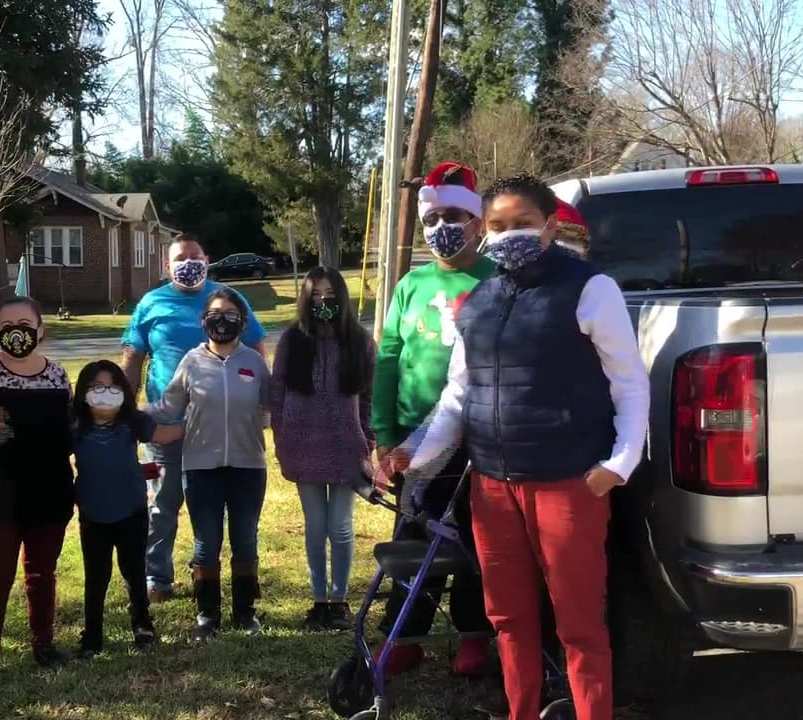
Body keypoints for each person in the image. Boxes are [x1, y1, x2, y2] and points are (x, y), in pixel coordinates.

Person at [403, 173, 650, 720]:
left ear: (550, 226)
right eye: (497, 226)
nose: (508, 234)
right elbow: (459, 395)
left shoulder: (591, 288)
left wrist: (620, 463)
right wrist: (412, 455)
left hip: (570, 483)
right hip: (493, 487)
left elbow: (629, 382)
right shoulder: (477, 300)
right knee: (509, 620)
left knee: (579, 623)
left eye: (522, 224)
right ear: (482, 231)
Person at [369, 160, 497, 677]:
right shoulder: (410, 284)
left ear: (476, 221)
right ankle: (405, 635)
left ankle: (473, 633)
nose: (442, 227)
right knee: (416, 535)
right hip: (415, 438)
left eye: (453, 216)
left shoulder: (497, 277)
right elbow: (387, 358)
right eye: (432, 219)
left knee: (475, 540)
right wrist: (383, 434)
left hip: (484, 437)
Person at [121, 234, 267, 603]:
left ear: (207, 259)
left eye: (195, 257)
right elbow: (132, 359)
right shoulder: (151, 303)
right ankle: (157, 578)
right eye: (180, 258)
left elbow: (257, 350)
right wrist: (126, 413)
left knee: (217, 510)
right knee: (163, 504)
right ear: (166, 266)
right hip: (166, 425)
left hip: (221, 426)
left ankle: (217, 576)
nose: (188, 263)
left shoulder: (228, 300)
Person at [0, 297, 75, 687]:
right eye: (7, 324)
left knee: (42, 573)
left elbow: (70, 432)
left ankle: (44, 647)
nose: (16, 331)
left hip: (51, 489)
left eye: (24, 323)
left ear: (40, 330)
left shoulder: (58, 376)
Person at [149, 288, 271, 641]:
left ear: (243, 322)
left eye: (230, 314)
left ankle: (245, 613)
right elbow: (168, 406)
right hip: (201, 466)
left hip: (248, 466)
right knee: (207, 541)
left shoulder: (255, 363)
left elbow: (277, 406)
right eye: (215, 313)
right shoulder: (191, 362)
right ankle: (207, 616)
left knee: (245, 539)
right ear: (204, 320)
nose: (222, 320)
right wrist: (132, 416)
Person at [269, 266, 376, 632]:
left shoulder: (359, 342)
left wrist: (369, 441)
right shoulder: (292, 341)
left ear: (342, 297)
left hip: (347, 447)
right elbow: (277, 393)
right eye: (315, 294)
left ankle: (339, 599)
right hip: (303, 445)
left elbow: (368, 398)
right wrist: (281, 436)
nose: (323, 301)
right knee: (315, 526)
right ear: (306, 299)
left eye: (330, 293)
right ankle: (318, 600)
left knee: (341, 526)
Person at [71, 359, 184, 658]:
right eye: (97, 388)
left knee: (134, 572)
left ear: (123, 391)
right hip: (93, 515)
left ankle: (142, 625)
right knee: (97, 576)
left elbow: (164, 434)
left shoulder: (134, 422)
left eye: (112, 387)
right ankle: (92, 634)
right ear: (83, 392)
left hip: (132, 511)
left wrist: (194, 423)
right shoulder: (75, 427)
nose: (105, 393)